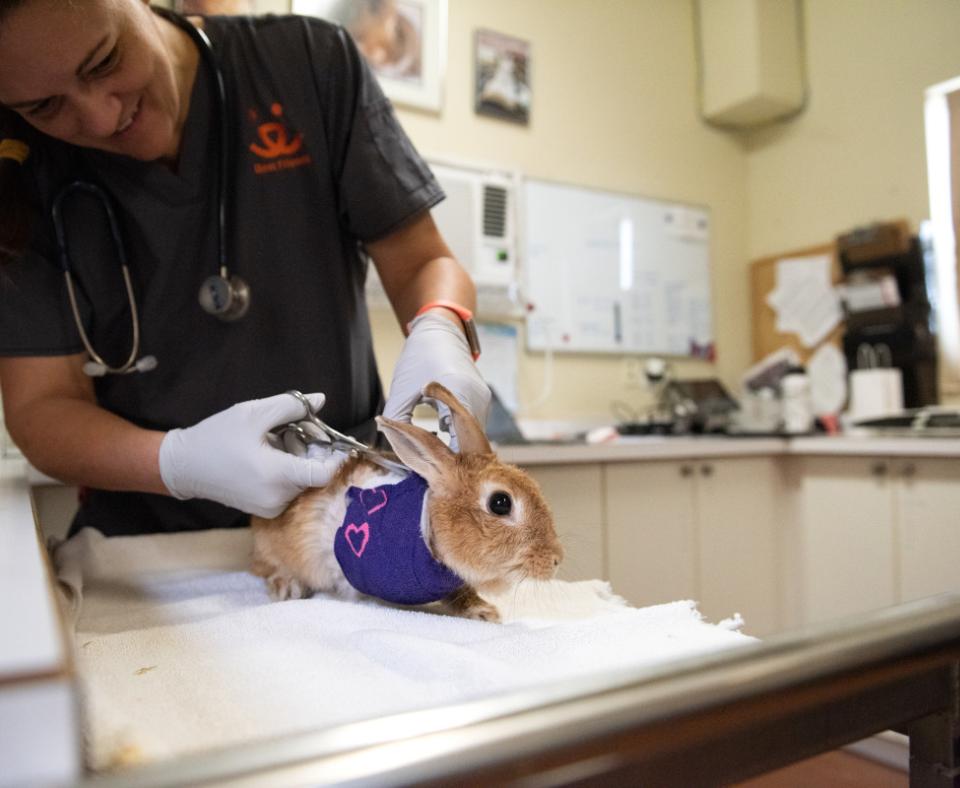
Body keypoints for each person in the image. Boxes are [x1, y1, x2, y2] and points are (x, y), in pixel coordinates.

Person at [0, 0, 490, 537]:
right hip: (152, 545)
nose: (99, 116)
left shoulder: (304, 63)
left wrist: (440, 326)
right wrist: (178, 462)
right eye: (44, 106)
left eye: (104, 62)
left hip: (343, 517)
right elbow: (42, 407)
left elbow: (423, 260)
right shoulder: (19, 168)